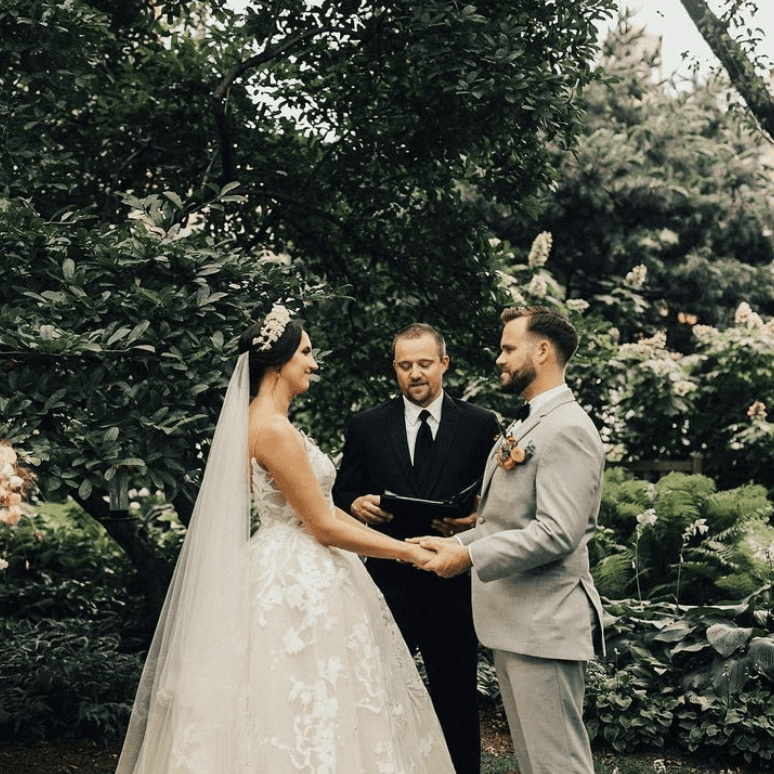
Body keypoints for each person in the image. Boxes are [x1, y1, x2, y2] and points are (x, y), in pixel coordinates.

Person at [116, 305, 456, 774]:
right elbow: (322, 526)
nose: (313, 363)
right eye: (306, 353)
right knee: (307, 696)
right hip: (299, 576)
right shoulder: (273, 430)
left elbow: (321, 508)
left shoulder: (263, 422)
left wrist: (391, 542)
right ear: (278, 363)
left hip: (288, 557)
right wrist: (408, 552)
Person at [412, 306, 606, 774]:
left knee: (558, 764)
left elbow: (557, 532)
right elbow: (506, 522)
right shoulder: (528, 423)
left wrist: (469, 556)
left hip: (546, 625)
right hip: (517, 623)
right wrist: (456, 543)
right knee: (536, 763)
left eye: (508, 348)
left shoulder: (569, 428)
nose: (499, 358)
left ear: (542, 351)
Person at [333, 323, 499, 774]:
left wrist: (472, 519)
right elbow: (342, 490)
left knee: (456, 697)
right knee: (381, 694)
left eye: (424, 364)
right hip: (386, 583)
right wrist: (356, 502)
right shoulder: (367, 425)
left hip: (452, 582)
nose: (415, 374)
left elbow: (498, 501)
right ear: (394, 369)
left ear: (444, 363)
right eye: (405, 366)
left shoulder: (481, 423)